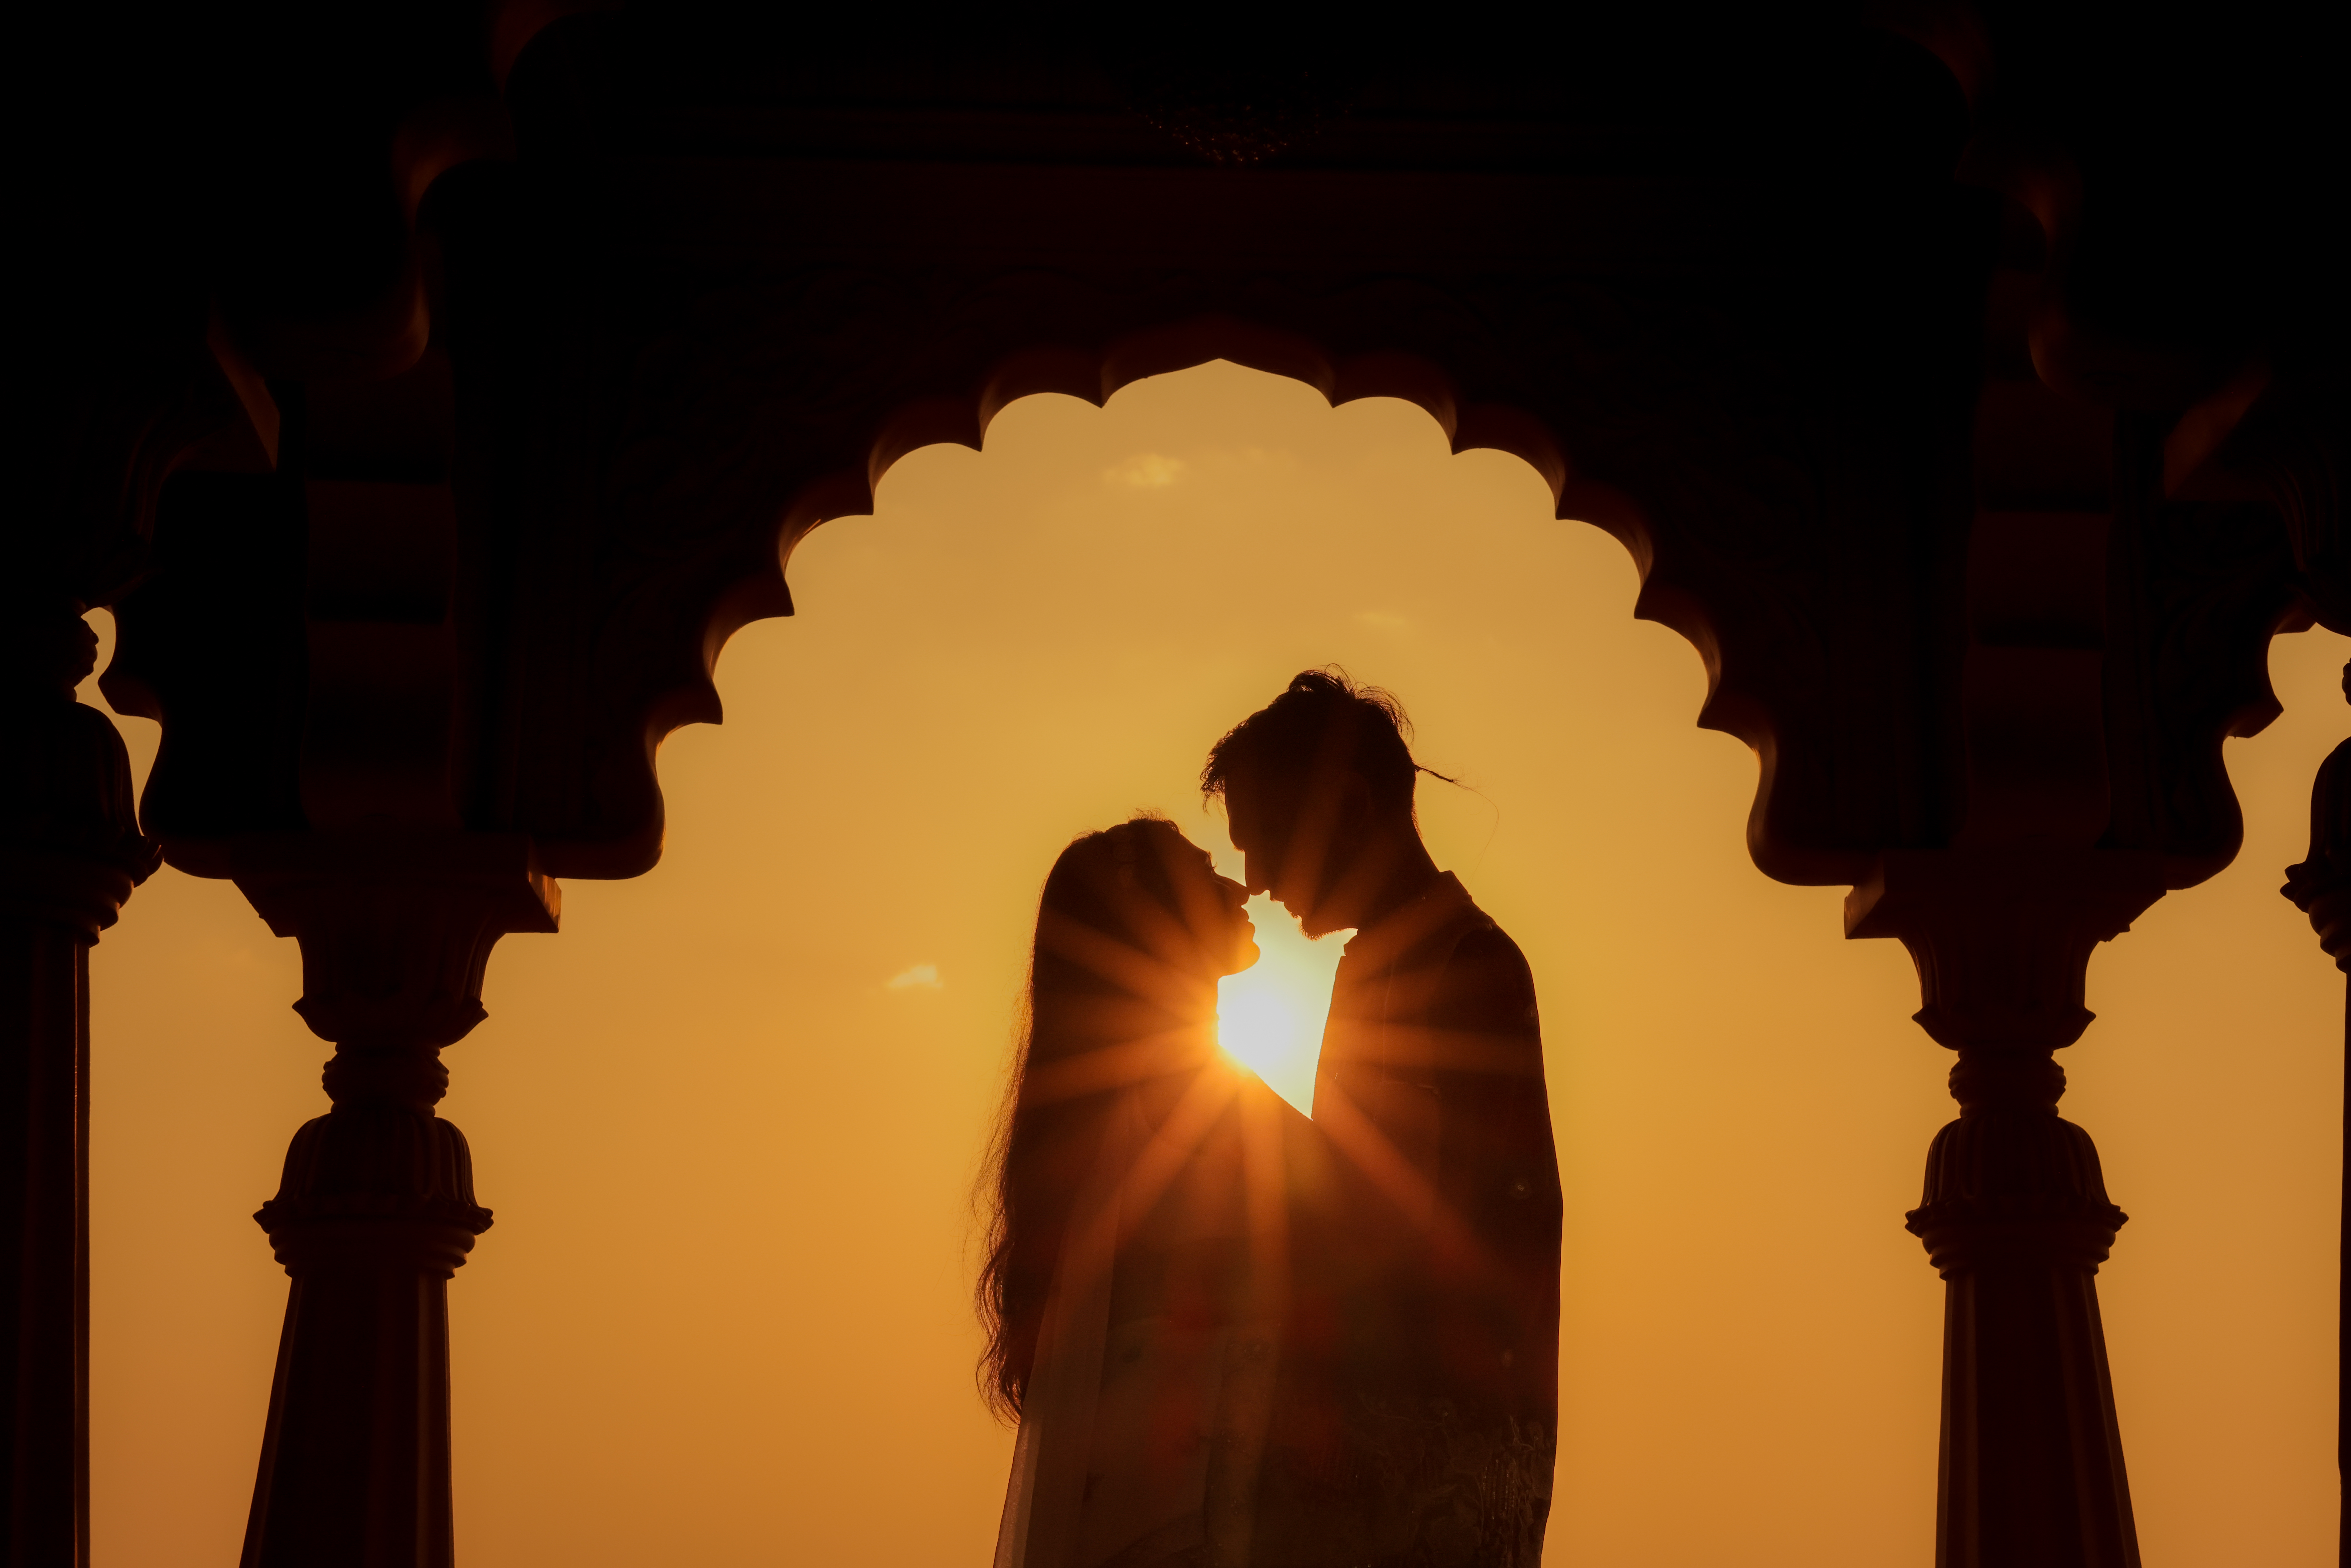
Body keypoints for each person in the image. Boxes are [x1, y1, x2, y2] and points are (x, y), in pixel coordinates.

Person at [1204, 669, 1561, 1567]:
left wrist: (1214, 1112)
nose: (1256, 882)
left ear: (1351, 811)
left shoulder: (1463, 968)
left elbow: (1390, 1211)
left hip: (1440, 1475)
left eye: (1269, 842)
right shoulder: (1385, 967)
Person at [984, 816, 1326, 1568]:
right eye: (1206, 876)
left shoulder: (1132, 1100)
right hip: (1190, 1508)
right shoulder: (1193, 1098)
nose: (1239, 887)